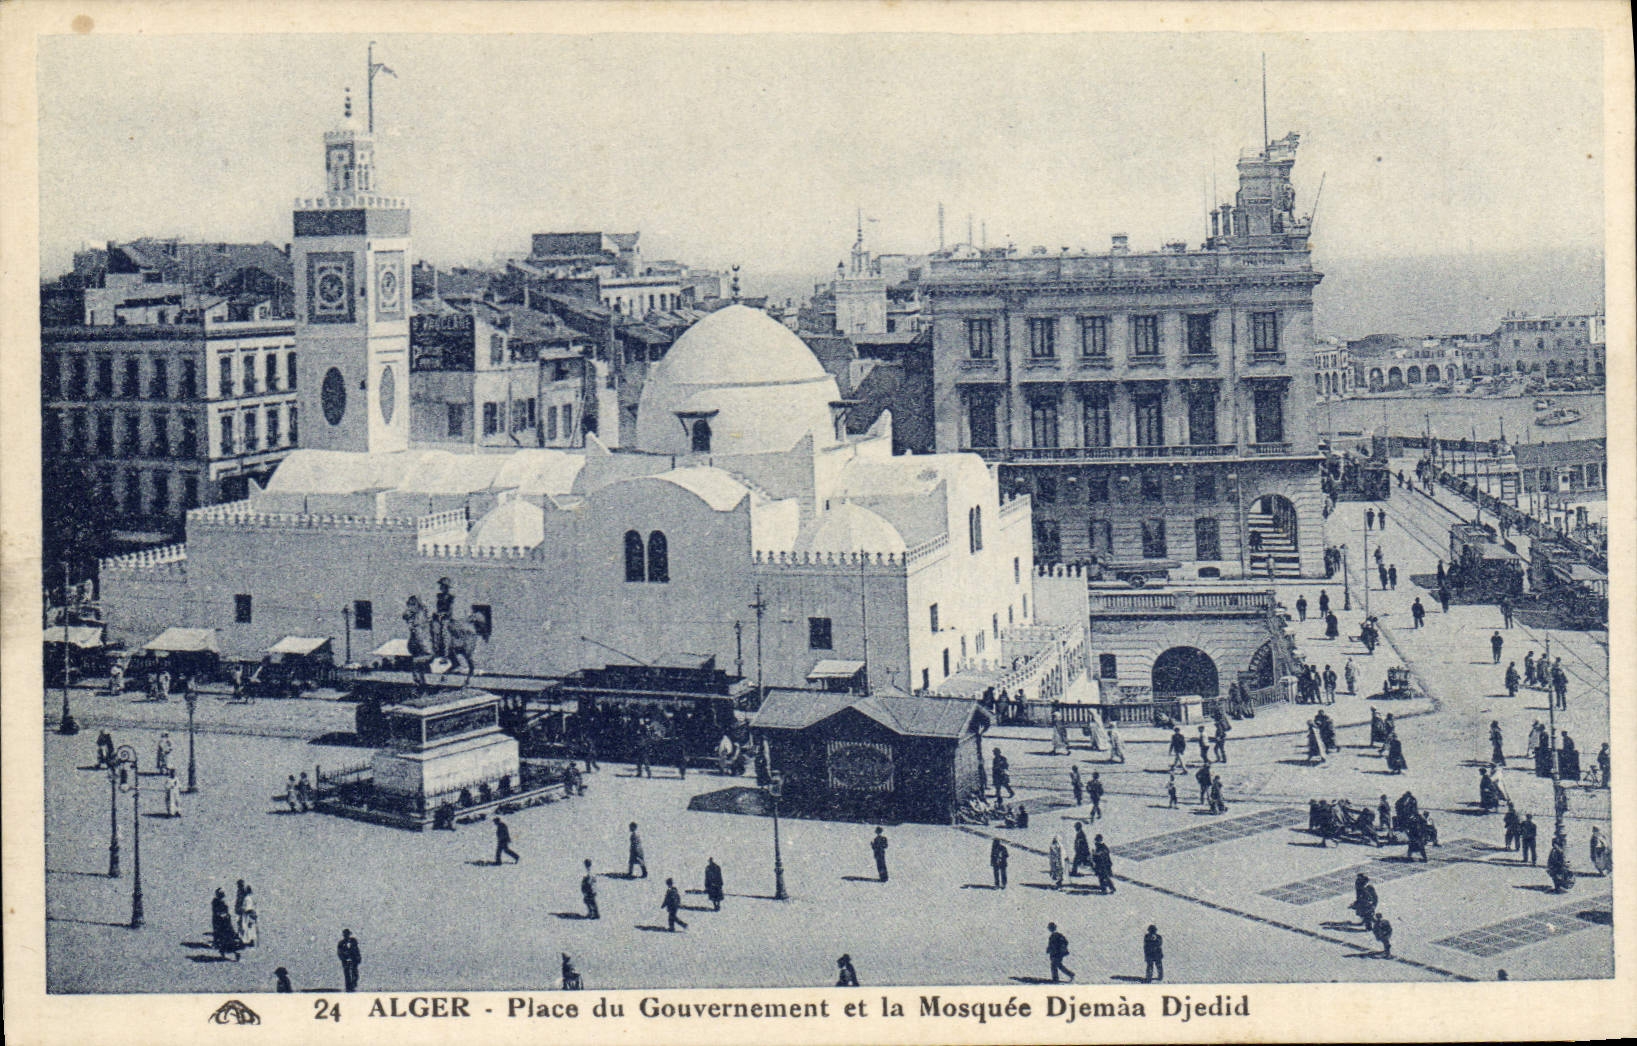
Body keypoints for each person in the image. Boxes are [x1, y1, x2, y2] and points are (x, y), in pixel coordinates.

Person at [210, 889, 240, 961]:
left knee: (225, 940)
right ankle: (227, 953)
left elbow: (220, 912)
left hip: (223, 923)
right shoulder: (218, 902)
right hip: (222, 922)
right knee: (225, 940)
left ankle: (229, 953)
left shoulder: (217, 902)